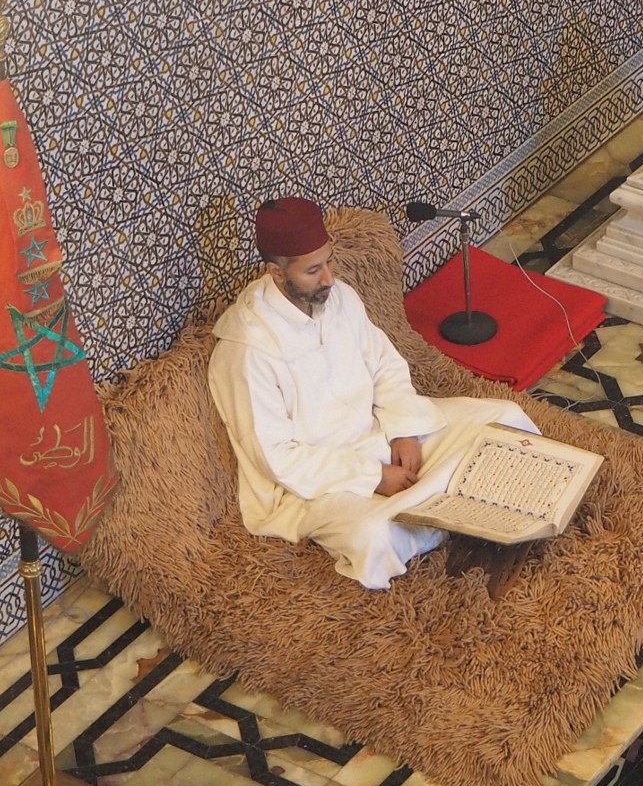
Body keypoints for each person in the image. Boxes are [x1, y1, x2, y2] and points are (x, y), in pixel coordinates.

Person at [207, 196, 539, 588]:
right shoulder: (247, 350)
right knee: (372, 537)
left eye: (329, 261)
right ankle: (459, 506)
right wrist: (373, 477)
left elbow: (385, 365)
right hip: (322, 483)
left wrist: (404, 429)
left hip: (380, 432)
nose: (329, 278)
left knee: (505, 419)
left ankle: (441, 512)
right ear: (276, 274)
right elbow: (277, 460)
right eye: (314, 270)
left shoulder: (339, 297)